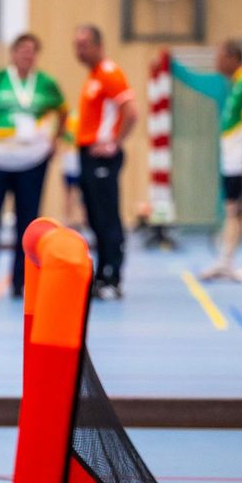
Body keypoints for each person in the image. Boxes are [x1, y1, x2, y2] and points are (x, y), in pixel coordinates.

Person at [0, 33, 66, 299]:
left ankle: (22, 281)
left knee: (28, 222)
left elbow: (63, 112)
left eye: (32, 51)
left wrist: (55, 140)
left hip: (32, 161)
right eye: (22, 50)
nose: (27, 55)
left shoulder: (46, 83)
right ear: (13, 53)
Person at [73, 25, 138, 300]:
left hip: (102, 157)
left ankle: (113, 276)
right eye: (76, 44)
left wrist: (114, 142)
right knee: (95, 217)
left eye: (84, 44)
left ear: (99, 45)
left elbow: (132, 112)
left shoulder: (110, 73)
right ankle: (101, 275)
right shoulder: (93, 77)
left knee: (107, 217)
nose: (78, 50)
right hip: (87, 155)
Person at [200, 41, 242, 282]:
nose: (216, 63)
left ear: (232, 57)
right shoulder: (236, 85)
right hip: (232, 160)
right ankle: (226, 261)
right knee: (231, 211)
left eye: (219, 57)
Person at [60, 110, 85, 230]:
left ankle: (83, 220)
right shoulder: (68, 128)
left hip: (77, 162)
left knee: (82, 194)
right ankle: (67, 219)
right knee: (69, 194)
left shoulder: (80, 128)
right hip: (70, 162)